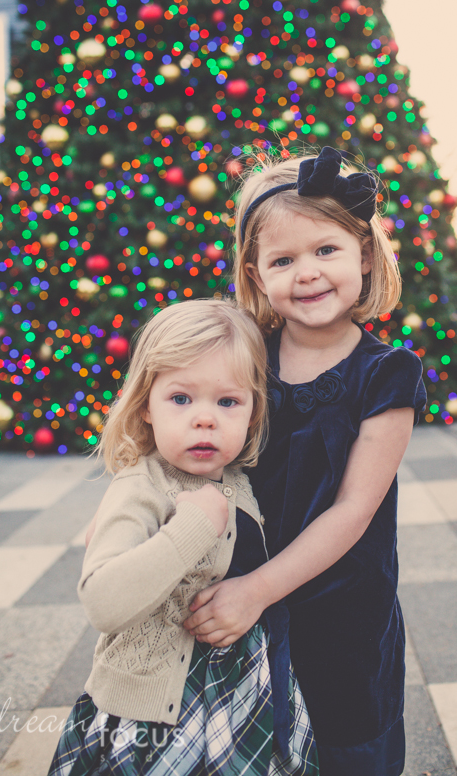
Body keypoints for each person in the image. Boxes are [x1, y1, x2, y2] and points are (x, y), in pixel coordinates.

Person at [184, 147, 427, 776]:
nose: (308, 273)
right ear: (257, 275)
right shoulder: (247, 360)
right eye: (284, 260)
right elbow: (194, 442)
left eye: (326, 250)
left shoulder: (386, 375)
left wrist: (256, 592)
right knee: (249, 745)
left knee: (344, 744)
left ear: (365, 255)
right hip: (236, 600)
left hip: (342, 612)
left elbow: (351, 511)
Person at [47, 299, 318, 776]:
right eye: (181, 398)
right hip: (156, 718)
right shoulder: (140, 486)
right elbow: (103, 603)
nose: (205, 418)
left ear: (253, 412)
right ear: (145, 406)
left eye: (227, 401)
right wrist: (191, 528)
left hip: (236, 701)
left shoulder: (237, 479)